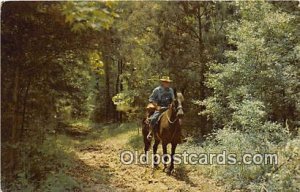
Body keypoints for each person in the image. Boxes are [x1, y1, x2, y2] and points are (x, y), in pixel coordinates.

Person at [146, 76, 175, 140]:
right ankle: (150, 133)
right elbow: (151, 99)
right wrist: (156, 107)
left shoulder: (171, 90)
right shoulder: (157, 90)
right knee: (154, 118)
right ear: (163, 82)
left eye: (168, 82)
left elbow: (173, 99)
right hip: (160, 108)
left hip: (169, 108)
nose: (168, 84)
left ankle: (180, 134)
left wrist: (171, 104)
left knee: (178, 117)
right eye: (166, 82)